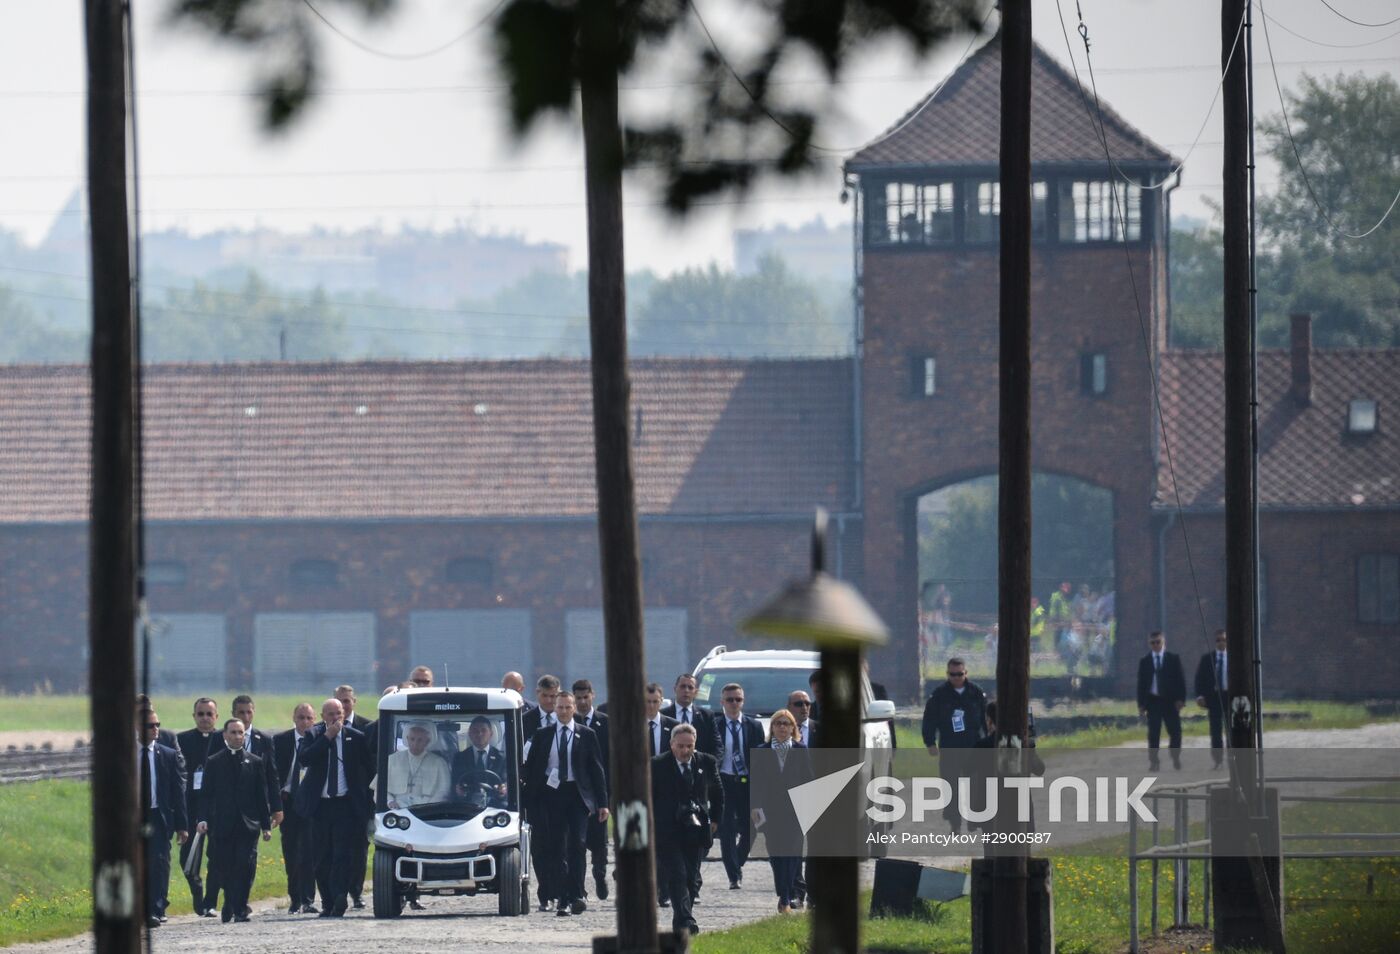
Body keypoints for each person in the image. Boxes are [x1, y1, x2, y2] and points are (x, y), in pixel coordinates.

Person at [522, 690, 609, 917]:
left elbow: (596, 770)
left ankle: (577, 894)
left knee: (578, 845)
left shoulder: (586, 734)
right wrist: (529, 799)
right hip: (551, 795)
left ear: (573, 709)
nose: (562, 711)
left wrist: (602, 803)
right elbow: (531, 769)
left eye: (567, 707)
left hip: (577, 795)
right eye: (559, 707)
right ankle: (562, 898)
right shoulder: (543, 734)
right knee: (557, 847)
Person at [296, 698, 373, 918]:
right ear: (322, 716)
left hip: (345, 804)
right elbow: (305, 758)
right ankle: (328, 902)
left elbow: (368, 769)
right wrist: (327, 738)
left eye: (338, 713)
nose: (335, 718)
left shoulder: (355, 738)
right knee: (321, 857)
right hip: (320, 805)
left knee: (342, 853)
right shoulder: (313, 735)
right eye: (330, 714)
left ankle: (340, 896)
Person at [196, 719, 272, 923]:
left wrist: (266, 826)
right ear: (225, 735)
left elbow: (261, 797)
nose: (238, 736)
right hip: (222, 824)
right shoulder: (214, 761)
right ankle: (229, 902)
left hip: (248, 825)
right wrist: (202, 818)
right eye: (233, 732)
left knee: (245, 866)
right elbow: (206, 794)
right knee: (225, 866)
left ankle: (240, 907)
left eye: (240, 733)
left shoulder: (254, 762)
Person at [651, 723, 723, 937]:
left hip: (696, 828)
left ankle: (681, 918)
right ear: (671, 744)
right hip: (668, 830)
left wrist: (715, 820)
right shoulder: (657, 764)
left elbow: (718, 793)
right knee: (678, 873)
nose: (685, 751)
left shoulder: (706, 762)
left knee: (692, 878)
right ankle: (686, 920)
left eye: (689, 746)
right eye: (680, 746)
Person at [751, 708, 811, 914]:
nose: (782, 728)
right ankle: (783, 892)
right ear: (773, 727)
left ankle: (786, 897)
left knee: (792, 854)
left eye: (786, 724)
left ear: (793, 727)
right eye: (778, 724)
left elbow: (808, 780)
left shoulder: (801, 750)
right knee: (776, 854)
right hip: (770, 811)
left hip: (795, 811)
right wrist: (755, 807)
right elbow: (756, 782)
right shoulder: (762, 750)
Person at [921, 657, 987, 833]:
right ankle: (954, 822)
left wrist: (989, 742)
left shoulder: (976, 693)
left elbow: (985, 721)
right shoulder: (939, 695)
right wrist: (930, 742)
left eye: (960, 674)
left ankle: (974, 819)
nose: (956, 678)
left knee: (976, 784)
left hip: (973, 745)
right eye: (953, 674)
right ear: (947, 674)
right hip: (949, 745)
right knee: (951, 785)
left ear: (966, 673)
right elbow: (929, 720)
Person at [137, 707, 188, 927]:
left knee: (159, 862)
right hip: (133, 816)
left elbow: (178, 792)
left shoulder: (166, 754)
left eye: (157, 724)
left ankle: (155, 910)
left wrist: (182, 825)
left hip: (158, 815)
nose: (156, 729)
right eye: (150, 725)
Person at [713, 682, 764, 889]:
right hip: (723, 780)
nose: (734, 703)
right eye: (730, 700)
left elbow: (760, 758)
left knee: (751, 828)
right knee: (727, 829)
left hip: (746, 781)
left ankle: (738, 862)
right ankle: (733, 875)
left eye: (738, 699)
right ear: (722, 702)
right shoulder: (714, 724)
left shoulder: (754, 726)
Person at [176, 696, 223, 916]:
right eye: (200, 714)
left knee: (217, 857)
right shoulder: (182, 740)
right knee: (187, 859)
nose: (205, 718)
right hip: (191, 807)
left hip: (218, 808)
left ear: (216, 717)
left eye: (209, 714)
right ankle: (197, 891)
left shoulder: (225, 739)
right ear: (194, 716)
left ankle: (210, 902)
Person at [273, 702, 318, 914]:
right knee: (290, 852)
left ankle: (308, 898)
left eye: (309, 718)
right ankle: (295, 898)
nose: (305, 722)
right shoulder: (281, 740)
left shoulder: (319, 740)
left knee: (308, 852)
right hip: (288, 802)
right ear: (294, 718)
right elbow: (273, 774)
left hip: (309, 803)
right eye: (301, 718)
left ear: (315, 719)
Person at [332, 684, 373, 909]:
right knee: (336, 849)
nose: (344, 706)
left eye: (347, 701)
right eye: (340, 701)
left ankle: (356, 892)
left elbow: (371, 766)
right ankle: (336, 892)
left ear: (353, 702)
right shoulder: (324, 730)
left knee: (358, 849)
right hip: (334, 799)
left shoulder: (367, 727)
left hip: (358, 799)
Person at [573, 679, 610, 901]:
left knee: (599, 839)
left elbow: (611, 760)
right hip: (578, 791)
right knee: (577, 841)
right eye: (578, 698)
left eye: (586, 697)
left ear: (592, 696)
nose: (582, 702)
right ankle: (579, 888)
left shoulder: (605, 723)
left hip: (600, 790)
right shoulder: (570, 722)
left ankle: (600, 873)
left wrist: (608, 795)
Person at [1137, 631, 1187, 770]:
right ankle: (1154, 761)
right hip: (1153, 701)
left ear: (1163, 642)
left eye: (1158, 642)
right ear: (1149, 644)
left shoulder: (1173, 659)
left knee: (1175, 732)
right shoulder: (1145, 661)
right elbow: (1141, 684)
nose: (1155, 645)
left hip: (1170, 702)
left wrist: (1181, 699)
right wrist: (1141, 704)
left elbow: (1180, 680)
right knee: (1153, 733)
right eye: (1152, 643)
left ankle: (1175, 756)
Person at [386, 723, 452, 808]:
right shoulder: (392, 759)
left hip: (427, 807)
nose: (415, 744)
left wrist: (430, 806)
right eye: (412, 739)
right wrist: (390, 801)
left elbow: (443, 791)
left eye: (420, 740)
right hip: (398, 807)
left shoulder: (439, 762)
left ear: (427, 742)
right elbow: (379, 788)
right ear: (407, 739)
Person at [452, 716, 509, 806]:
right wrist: (459, 792)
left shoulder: (501, 758)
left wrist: (502, 790)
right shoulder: (459, 757)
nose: (479, 734)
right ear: (470, 734)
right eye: (475, 731)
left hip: (494, 805)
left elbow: (505, 783)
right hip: (467, 804)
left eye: (483, 730)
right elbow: (455, 784)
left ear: (491, 734)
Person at [1194, 629, 1230, 767]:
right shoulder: (1207, 659)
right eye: (1218, 640)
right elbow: (1199, 679)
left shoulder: (1234, 658)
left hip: (1229, 697)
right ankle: (1218, 760)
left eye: (1224, 640)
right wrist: (1200, 696)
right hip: (1214, 697)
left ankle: (1233, 759)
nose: (1221, 643)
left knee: (1231, 731)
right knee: (1215, 731)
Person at [662, 673, 716, 756]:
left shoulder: (707, 716)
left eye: (690, 687)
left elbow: (716, 746)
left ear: (696, 692)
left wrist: (710, 765)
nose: (686, 690)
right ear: (675, 689)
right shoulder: (663, 715)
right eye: (683, 686)